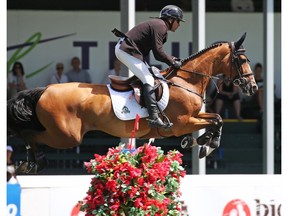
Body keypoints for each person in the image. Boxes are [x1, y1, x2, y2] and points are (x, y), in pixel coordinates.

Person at [114, 5, 184, 128]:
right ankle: (153, 117)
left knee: (153, 75)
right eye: (178, 21)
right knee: (148, 79)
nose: (179, 25)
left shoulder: (160, 26)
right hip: (126, 50)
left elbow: (158, 53)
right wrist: (172, 62)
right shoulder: (161, 26)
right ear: (171, 20)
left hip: (130, 51)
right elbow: (158, 54)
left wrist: (172, 60)